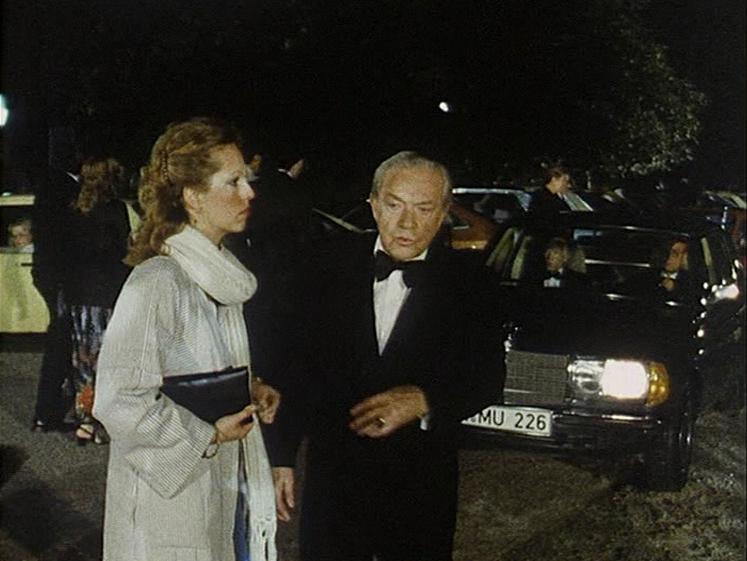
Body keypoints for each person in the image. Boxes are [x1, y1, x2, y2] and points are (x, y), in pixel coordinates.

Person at [266, 150, 503, 561]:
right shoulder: (323, 266)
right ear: (374, 205)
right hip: (333, 490)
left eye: (423, 208)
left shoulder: (472, 284)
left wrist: (425, 399)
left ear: (444, 212)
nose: (407, 223)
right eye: (394, 206)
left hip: (421, 495)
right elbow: (292, 366)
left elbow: (487, 378)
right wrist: (280, 456)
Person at [93, 118, 280, 561]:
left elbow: (192, 370)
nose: (249, 193)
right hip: (165, 506)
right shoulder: (158, 281)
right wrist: (208, 435)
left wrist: (248, 389)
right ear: (193, 196)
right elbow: (118, 399)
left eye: (247, 180)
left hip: (216, 487)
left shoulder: (218, 274)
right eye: (233, 182)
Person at [65, 156, 132, 445]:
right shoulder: (115, 209)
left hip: (81, 293)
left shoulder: (74, 210)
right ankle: (106, 418)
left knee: (84, 359)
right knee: (110, 358)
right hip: (109, 292)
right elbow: (123, 251)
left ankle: (85, 419)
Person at [30, 164, 80, 432]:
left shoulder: (50, 186)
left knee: (61, 340)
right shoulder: (64, 188)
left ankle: (49, 410)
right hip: (60, 276)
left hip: (48, 272)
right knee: (61, 342)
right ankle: (47, 411)